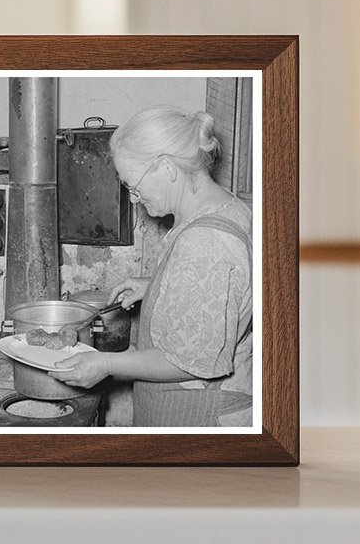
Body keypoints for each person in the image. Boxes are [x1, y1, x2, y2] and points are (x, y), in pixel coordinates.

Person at [52, 105, 253, 427]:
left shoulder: (205, 242)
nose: (134, 198)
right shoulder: (224, 205)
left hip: (195, 416)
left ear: (167, 167)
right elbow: (223, 290)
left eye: (134, 185)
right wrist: (157, 285)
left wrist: (105, 364)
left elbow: (191, 363)